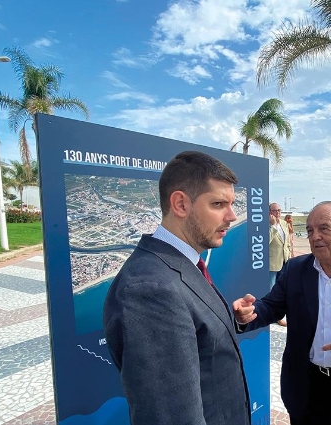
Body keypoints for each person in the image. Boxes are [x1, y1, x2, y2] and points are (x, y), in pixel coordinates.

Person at [103, 151, 251, 425]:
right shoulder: (150, 289)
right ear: (181, 204)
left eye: (232, 204)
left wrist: (231, 320)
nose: (232, 216)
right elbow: (171, 417)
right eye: (219, 204)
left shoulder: (180, 265)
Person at [233, 201, 331, 425]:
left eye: (323, 228)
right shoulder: (295, 269)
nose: (315, 236)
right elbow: (272, 306)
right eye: (309, 230)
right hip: (306, 385)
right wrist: (248, 314)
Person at [269, 202, 291, 326]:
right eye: (275, 210)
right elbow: (265, 242)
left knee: (283, 289)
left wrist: (290, 255)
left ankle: (280, 313)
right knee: (272, 290)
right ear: (270, 212)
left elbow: (287, 242)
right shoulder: (267, 224)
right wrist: (272, 227)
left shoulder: (284, 223)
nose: (277, 213)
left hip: (285, 261)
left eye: (279, 210)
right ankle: (274, 316)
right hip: (272, 263)